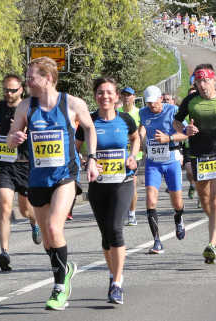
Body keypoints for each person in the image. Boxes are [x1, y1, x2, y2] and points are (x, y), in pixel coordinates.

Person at [7, 57, 95, 311]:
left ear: (48, 78)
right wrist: (16, 138)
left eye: (31, 76)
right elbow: (12, 138)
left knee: (55, 228)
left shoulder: (72, 103)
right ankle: (64, 268)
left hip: (64, 176)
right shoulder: (25, 107)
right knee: (47, 237)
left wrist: (92, 158)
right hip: (37, 178)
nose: (27, 81)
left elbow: (89, 128)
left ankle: (59, 287)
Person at [75, 77, 139, 305]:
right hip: (98, 185)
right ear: (95, 96)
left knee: (115, 228)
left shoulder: (125, 120)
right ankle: (113, 274)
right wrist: (85, 161)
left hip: (122, 181)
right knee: (105, 236)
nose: (105, 97)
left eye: (109, 92)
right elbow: (76, 147)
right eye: (100, 93)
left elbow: (136, 138)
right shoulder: (89, 122)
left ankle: (117, 283)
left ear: (117, 96)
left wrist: (133, 157)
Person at [173, 64, 216, 263]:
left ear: (214, 80)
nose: (202, 85)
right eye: (198, 81)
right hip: (198, 154)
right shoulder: (191, 101)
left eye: (205, 80)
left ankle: (211, 244)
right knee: (205, 199)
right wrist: (185, 130)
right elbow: (177, 121)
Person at [0, 74, 41, 272]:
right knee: (5, 207)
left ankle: (34, 223)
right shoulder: (1, 106)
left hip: (25, 164)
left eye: (12, 90)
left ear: (21, 90)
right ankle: (4, 253)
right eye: (6, 90)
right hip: (4, 164)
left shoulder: (29, 108)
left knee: (26, 211)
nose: (8, 94)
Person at [138, 86, 186, 255]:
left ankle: (179, 217)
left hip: (171, 160)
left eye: (154, 102)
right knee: (150, 200)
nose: (152, 106)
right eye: (149, 103)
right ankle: (157, 241)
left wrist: (169, 138)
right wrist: (139, 140)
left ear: (160, 98)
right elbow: (142, 128)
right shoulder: (143, 113)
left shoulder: (173, 111)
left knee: (177, 202)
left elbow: (186, 133)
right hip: (153, 162)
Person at [119, 87, 141, 226]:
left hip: (134, 154)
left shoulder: (139, 113)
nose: (126, 97)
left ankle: (132, 213)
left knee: (131, 184)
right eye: (124, 95)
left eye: (129, 95)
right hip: (117, 154)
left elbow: (141, 133)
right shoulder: (116, 112)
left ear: (134, 97)